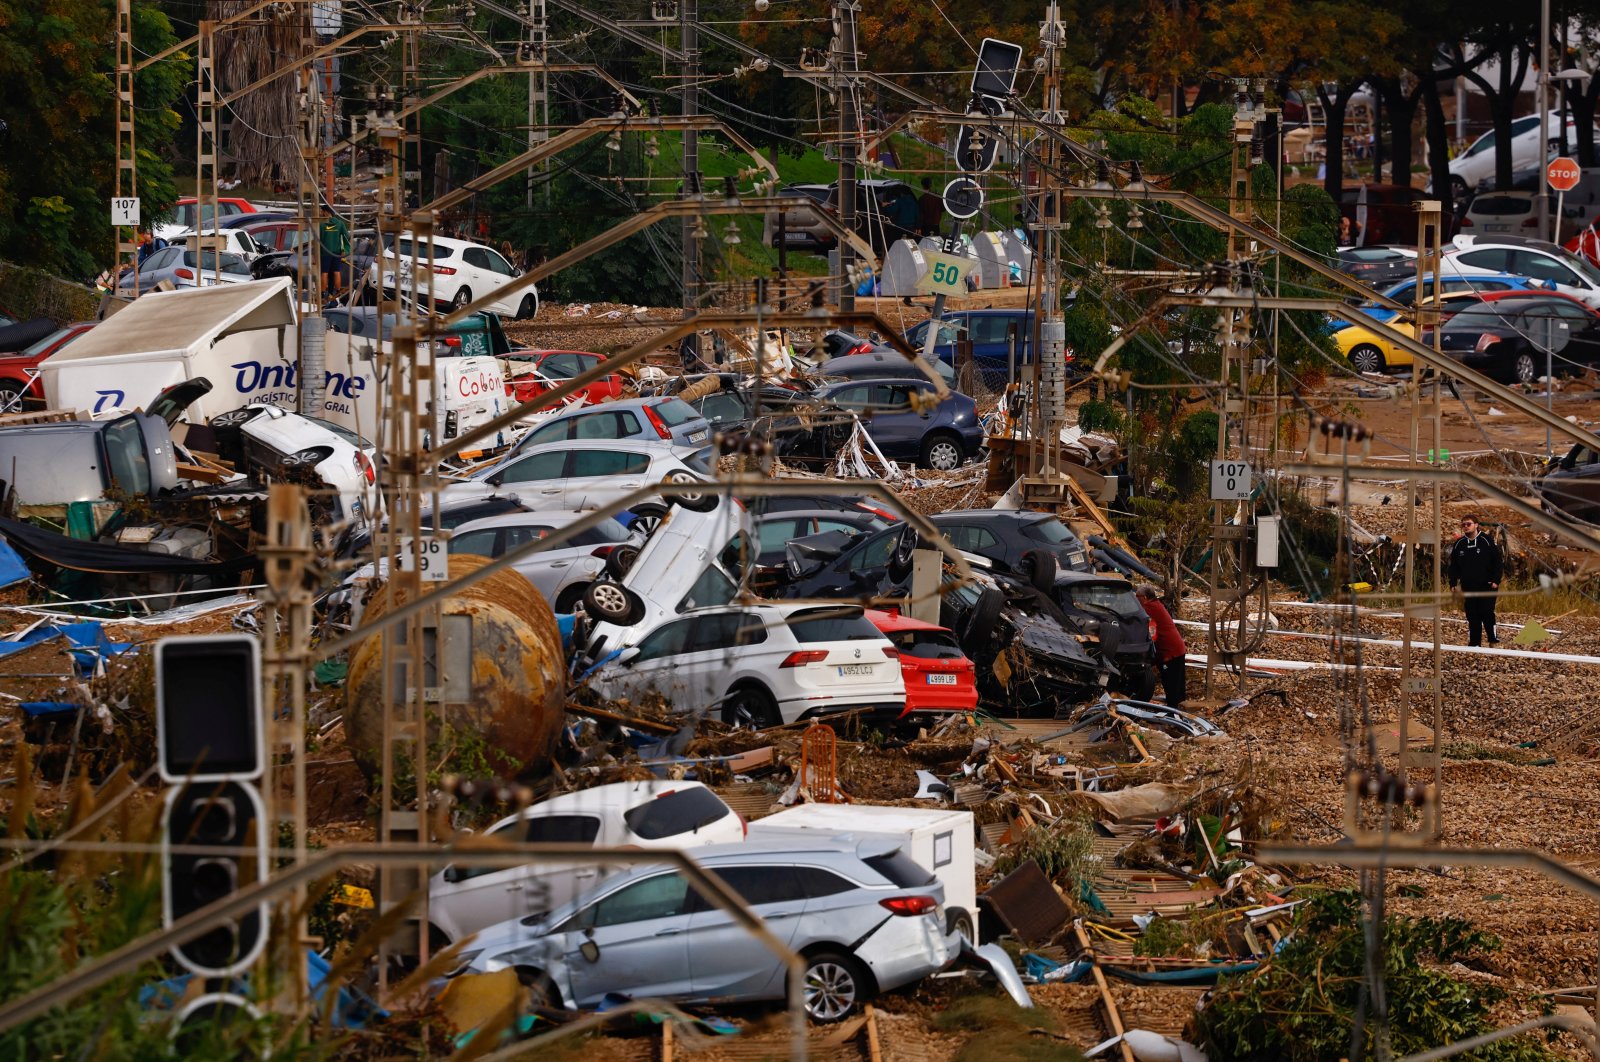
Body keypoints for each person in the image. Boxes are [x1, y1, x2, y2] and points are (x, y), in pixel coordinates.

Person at [1448, 515, 1503, 647]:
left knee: (1487, 612)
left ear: (1476, 525)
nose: (1466, 527)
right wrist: (1453, 583)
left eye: (1468, 524)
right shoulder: (1459, 544)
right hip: (1468, 586)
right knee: (1472, 614)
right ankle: (1475, 642)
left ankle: (1492, 639)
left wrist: (1496, 580)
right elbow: (1453, 565)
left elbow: (1498, 561)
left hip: (1487, 585)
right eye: (1463, 525)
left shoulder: (1486, 540)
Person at [1136, 585, 1188, 706]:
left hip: (1169, 652)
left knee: (1171, 684)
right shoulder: (1157, 604)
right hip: (1176, 649)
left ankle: (1174, 713)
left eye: (1137, 597)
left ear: (1144, 597)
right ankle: (1179, 710)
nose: (1135, 599)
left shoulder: (1148, 608)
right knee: (1177, 685)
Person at [318, 211, 351, 300]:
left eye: (321, 211)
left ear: (326, 212)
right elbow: (347, 236)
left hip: (324, 252)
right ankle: (337, 291)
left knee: (324, 273)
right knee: (336, 272)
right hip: (336, 252)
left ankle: (322, 293)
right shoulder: (340, 224)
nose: (320, 213)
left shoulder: (321, 224)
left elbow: (316, 239)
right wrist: (345, 249)